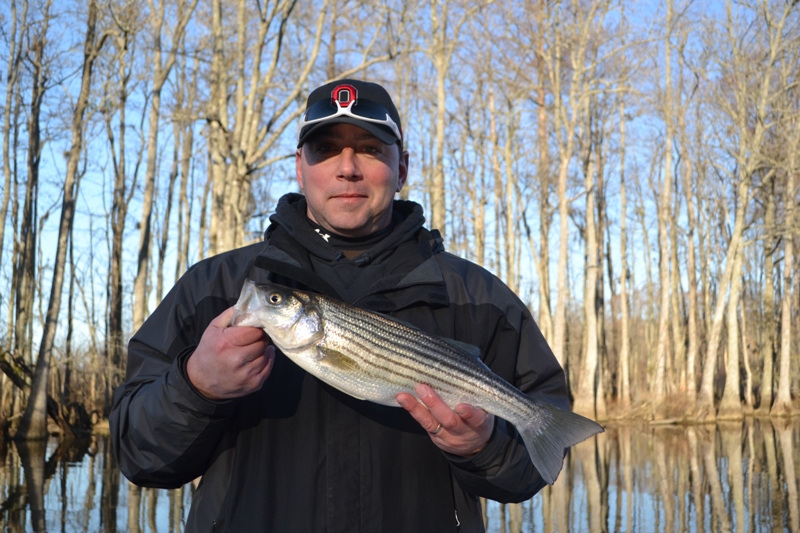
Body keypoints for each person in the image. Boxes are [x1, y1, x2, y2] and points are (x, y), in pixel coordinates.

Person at [110, 79, 571, 533]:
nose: (347, 168)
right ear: (300, 167)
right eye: (325, 149)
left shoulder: (481, 298)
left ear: (402, 168)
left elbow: (531, 468)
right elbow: (139, 455)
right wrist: (196, 387)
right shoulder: (214, 287)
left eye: (370, 149)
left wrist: (484, 446)